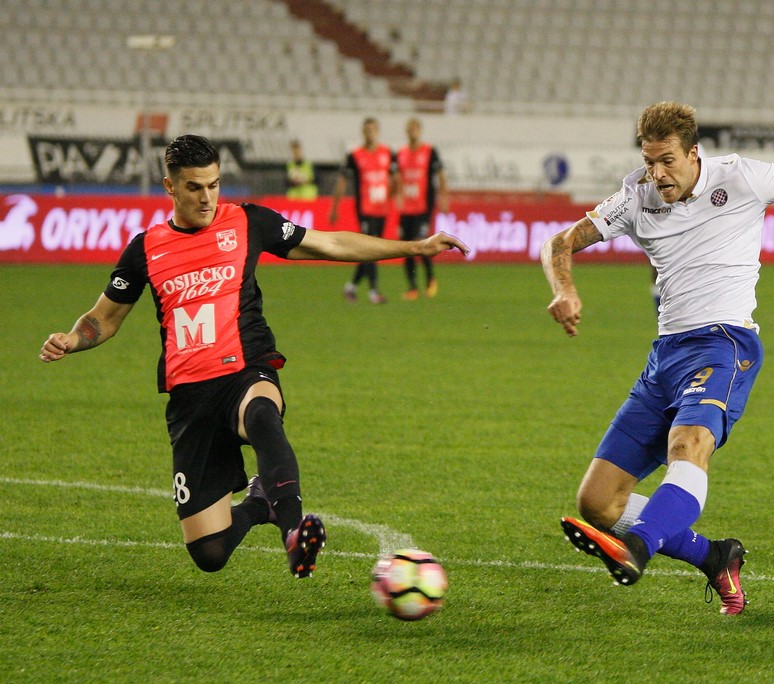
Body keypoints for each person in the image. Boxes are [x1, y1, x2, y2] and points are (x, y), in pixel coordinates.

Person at [38, 134, 468, 579]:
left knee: (262, 414)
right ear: (169, 186)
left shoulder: (248, 222)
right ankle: (260, 503)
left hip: (245, 368)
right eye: (194, 187)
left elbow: (330, 244)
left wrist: (413, 247)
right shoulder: (145, 250)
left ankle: (294, 531)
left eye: (214, 184)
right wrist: (73, 339)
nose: (207, 198)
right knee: (209, 552)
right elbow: (104, 318)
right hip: (189, 396)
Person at [542, 102, 774, 615]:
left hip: (724, 343)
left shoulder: (741, 178)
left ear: (694, 153)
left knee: (689, 444)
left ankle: (638, 546)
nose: (657, 173)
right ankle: (715, 556)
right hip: (664, 356)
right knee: (597, 504)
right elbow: (559, 242)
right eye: (649, 162)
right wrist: (564, 289)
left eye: (667, 161)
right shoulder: (637, 197)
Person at [329, 117, 399, 304]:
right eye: (367, 130)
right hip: (365, 209)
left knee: (370, 250)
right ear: (363, 132)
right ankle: (374, 292)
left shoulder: (387, 153)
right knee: (371, 249)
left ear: (377, 131)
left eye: (373, 130)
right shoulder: (355, 155)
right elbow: (342, 182)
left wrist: (392, 197)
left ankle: (351, 287)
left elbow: (396, 178)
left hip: (382, 209)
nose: (370, 133)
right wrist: (334, 208)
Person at [396, 117, 449, 300]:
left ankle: (430, 279)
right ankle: (412, 287)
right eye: (409, 128)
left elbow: (440, 175)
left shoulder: (429, 151)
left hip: (423, 207)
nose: (412, 132)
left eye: (415, 128)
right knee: (406, 246)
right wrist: (397, 195)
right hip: (406, 209)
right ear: (406, 131)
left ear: (420, 130)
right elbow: (397, 178)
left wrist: (444, 197)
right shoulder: (401, 153)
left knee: (422, 243)